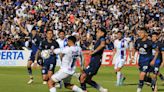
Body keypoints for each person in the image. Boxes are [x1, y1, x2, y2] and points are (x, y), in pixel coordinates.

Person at [79, 27, 108, 92]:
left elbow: (103, 45)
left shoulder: (102, 38)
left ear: (102, 33)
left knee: (82, 77)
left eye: (98, 32)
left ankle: (84, 90)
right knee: (87, 79)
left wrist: (94, 52)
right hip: (94, 61)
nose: (97, 33)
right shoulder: (99, 40)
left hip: (95, 61)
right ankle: (102, 89)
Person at [132, 27, 159, 92]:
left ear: (145, 34)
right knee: (143, 77)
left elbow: (157, 51)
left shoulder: (149, 42)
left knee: (142, 74)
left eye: (141, 33)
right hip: (141, 60)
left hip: (147, 60)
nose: (140, 34)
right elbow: (135, 48)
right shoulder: (138, 41)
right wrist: (132, 57)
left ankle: (139, 89)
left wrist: (153, 60)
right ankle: (153, 83)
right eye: (139, 33)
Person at [17, 20, 43, 84]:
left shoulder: (38, 38)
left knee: (42, 67)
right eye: (32, 31)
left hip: (38, 54)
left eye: (34, 31)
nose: (33, 32)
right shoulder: (31, 35)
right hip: (32, 54)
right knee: (28, 65)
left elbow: (41, 47)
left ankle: (45, 78)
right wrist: (19, 24)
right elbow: (23, 31)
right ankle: (31, 78)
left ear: (36, 31)